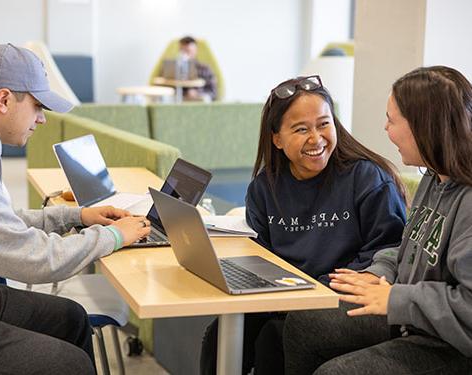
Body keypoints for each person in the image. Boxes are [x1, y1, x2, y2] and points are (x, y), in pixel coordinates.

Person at [0, 43, 151, 374]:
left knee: (71, 318)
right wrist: (113, 236)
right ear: (3, 100)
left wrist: (77, 216)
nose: (42, 119)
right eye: (37, 106)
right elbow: (33, 259)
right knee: (69, 365)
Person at [200, 75, 407, 374]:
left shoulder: (367, 179)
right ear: (277, 138)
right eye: (301, 129)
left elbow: (389, 250)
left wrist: (319, 287)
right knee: (220, 334)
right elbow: (262, 255)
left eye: (324, 124)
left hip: (343, 297)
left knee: (273, 336)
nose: (316, 138)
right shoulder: (264, 188)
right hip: (286, 296)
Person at [283, 66, 472, 374]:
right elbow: (408, 247)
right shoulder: (435, 176)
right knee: (305, 323)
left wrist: (397, 298)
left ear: (423, 127)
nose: (386, 129)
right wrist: (379, 272)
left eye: (392, 120)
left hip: (453, 346)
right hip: (417, 317)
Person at [175, 35, 217, 101]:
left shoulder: (204, 69)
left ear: (195, 51)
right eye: (182, 51)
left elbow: (213, 93)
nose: (184, 55)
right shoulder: (172, 69)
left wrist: (197, 94)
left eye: (188, 51)